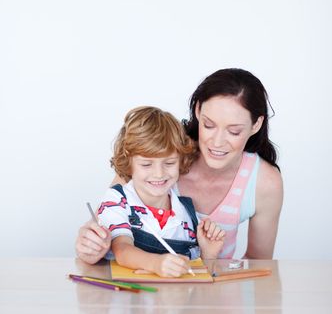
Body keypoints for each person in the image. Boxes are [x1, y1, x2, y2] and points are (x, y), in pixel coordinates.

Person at [76, 68, 283, 262]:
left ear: (256, 124)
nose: (217, 142)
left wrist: (212, 269)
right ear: (197, 109)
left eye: (234, 131)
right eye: (209, 125)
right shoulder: (164, 151)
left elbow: (259, 266)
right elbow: (106, 217)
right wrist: (90, 242)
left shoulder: (264, 182)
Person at [79, 106, 225, 277]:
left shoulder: (187, 215)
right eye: (147, 164)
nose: (159, 173)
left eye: (169, 163)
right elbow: (122, 250)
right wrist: (156, 264)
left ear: (181, 161)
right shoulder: (117, 200)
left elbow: (196, 276)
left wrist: (208, 255)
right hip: (128, 299)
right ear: (129, 163)